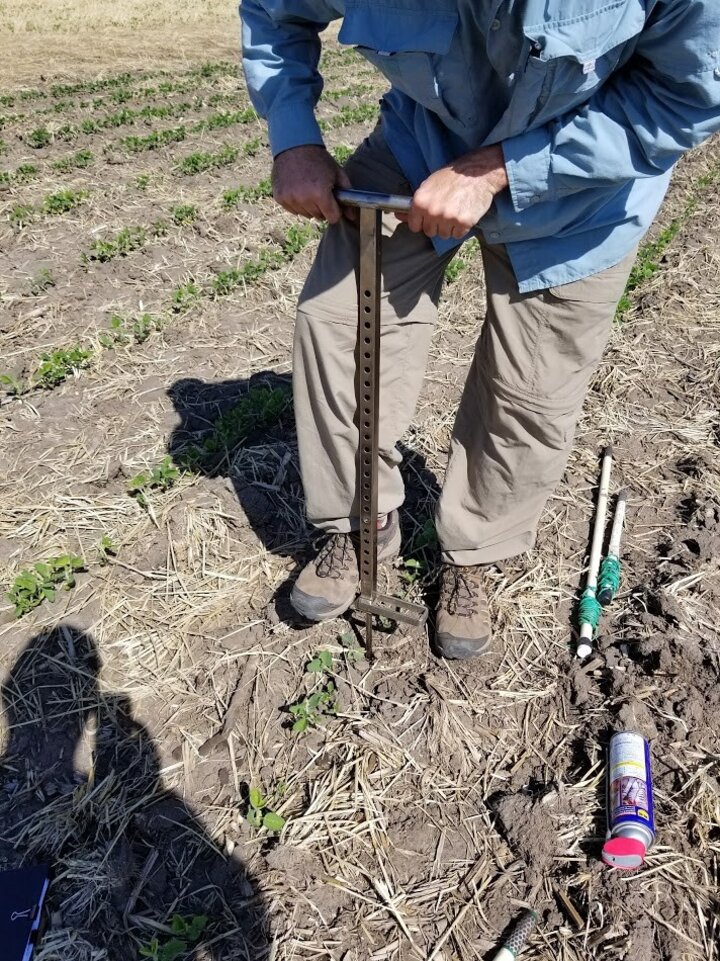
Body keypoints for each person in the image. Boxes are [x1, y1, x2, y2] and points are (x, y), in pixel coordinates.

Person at [239, 0, 720, 658]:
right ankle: (361, 522)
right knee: (340, 317)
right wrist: (294, 138)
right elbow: (272, 11)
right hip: (422, 144)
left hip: (584, 190)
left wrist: (496, 170)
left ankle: (473, 554)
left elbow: (685, 96)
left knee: (530, 391)